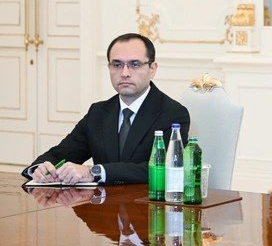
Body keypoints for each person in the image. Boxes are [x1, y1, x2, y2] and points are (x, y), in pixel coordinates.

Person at [21, 33, 190, 185]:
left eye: (134, 64)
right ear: (109, 68)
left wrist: (94, 172)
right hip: (103, 205)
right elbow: (62, 154)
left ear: (152, 69)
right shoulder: (98, 112)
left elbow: (165, 168)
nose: (124, 73)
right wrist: (40, 169)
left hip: (146, 204)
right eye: (117, 64)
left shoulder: (173, 113)